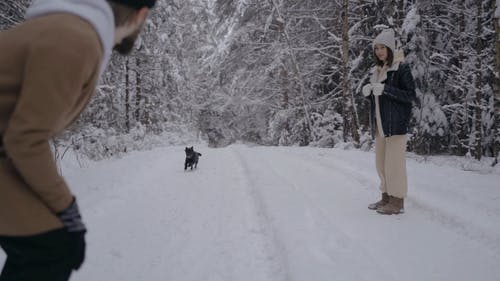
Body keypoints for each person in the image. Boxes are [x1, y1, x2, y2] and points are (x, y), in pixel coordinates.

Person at [0, 0, 155, 280]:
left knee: (49, 247)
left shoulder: (66, 29)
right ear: (140, 15)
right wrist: (66, 208)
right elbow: (26, 139)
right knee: (54, 248)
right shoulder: (76, 39)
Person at [361, 29, 416, 215]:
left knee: (395, 166)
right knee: (381, 164)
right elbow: (379, 99)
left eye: (382, 47)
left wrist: (385, 89)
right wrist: (369, 93)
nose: (379, 51)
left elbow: (410, 96)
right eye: (376, 48)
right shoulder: (377, 70)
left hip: (396, 126)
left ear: (390, 48)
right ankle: (386, 196)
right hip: (381, 126)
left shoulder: (401, 68)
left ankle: (397, 200)